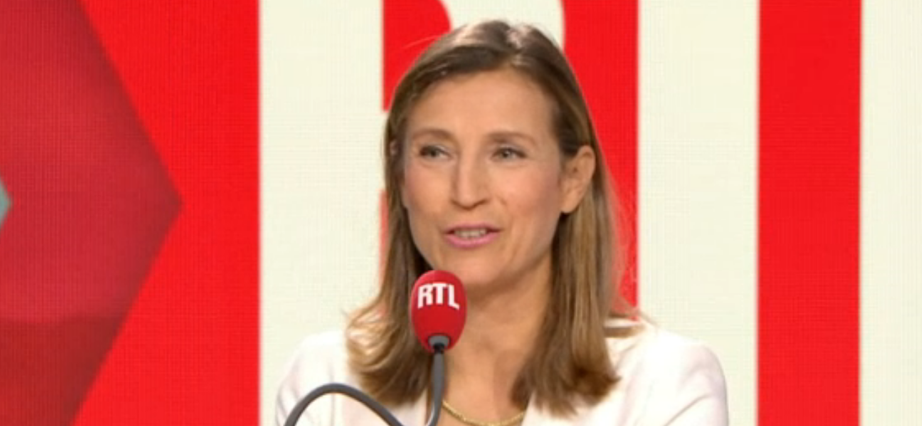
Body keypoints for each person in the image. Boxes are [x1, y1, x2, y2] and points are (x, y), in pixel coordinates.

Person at [276, 20, 728, 426]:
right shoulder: (329, 384)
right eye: (435, 152)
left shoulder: (664, 385)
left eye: (506, 153)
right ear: (400, 177)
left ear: (573, 179)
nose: (466, 191)